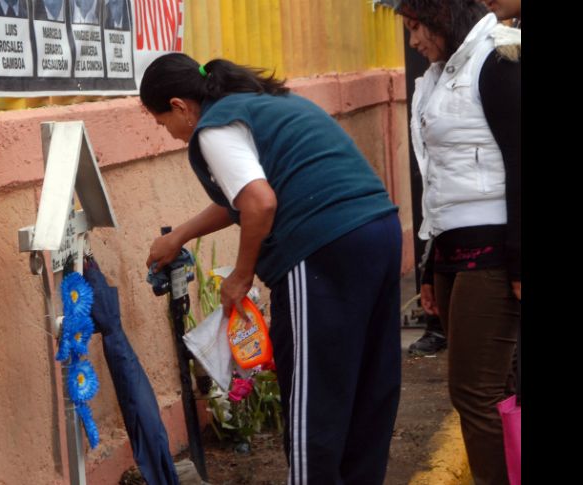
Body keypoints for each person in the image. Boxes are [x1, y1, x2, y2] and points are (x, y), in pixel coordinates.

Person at [140, 53, 402, 484]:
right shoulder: (268, 103)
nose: (168, 133)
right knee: (368, 386)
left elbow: (259, 202)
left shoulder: (214, 129)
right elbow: (241, 199)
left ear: (180, 106)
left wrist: (240, 277)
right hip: (377, 231)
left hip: (322, 247)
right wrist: (179, 236)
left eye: (162, 121)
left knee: (314, 395)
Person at [396, 1, 520, 483]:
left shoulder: (498, 60)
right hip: (452, 248)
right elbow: (439, 178)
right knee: (490, 390)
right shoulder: (439, 75)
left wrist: (517, 262)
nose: (413, 41)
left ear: (442, 17)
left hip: (493, 250)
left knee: (476, 393)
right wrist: (430, 266)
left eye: (416, 27)